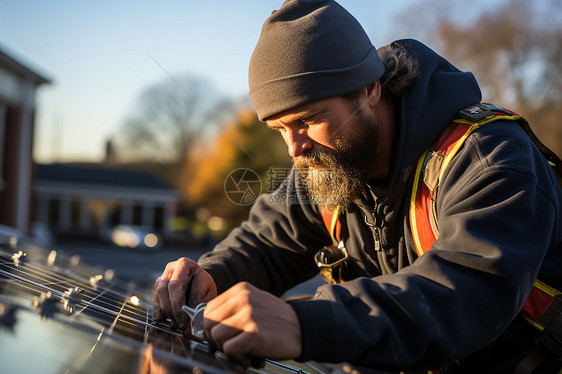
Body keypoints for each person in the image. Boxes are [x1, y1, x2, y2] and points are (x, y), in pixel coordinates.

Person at [152, 0, 562, 372]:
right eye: (280, 128)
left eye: (307, 120)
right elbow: (267, 242)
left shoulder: (489, 157)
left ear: (370, 90)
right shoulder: (327, 164)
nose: (295, 148)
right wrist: (211, 275)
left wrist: (304, 324)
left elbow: (467, 293)